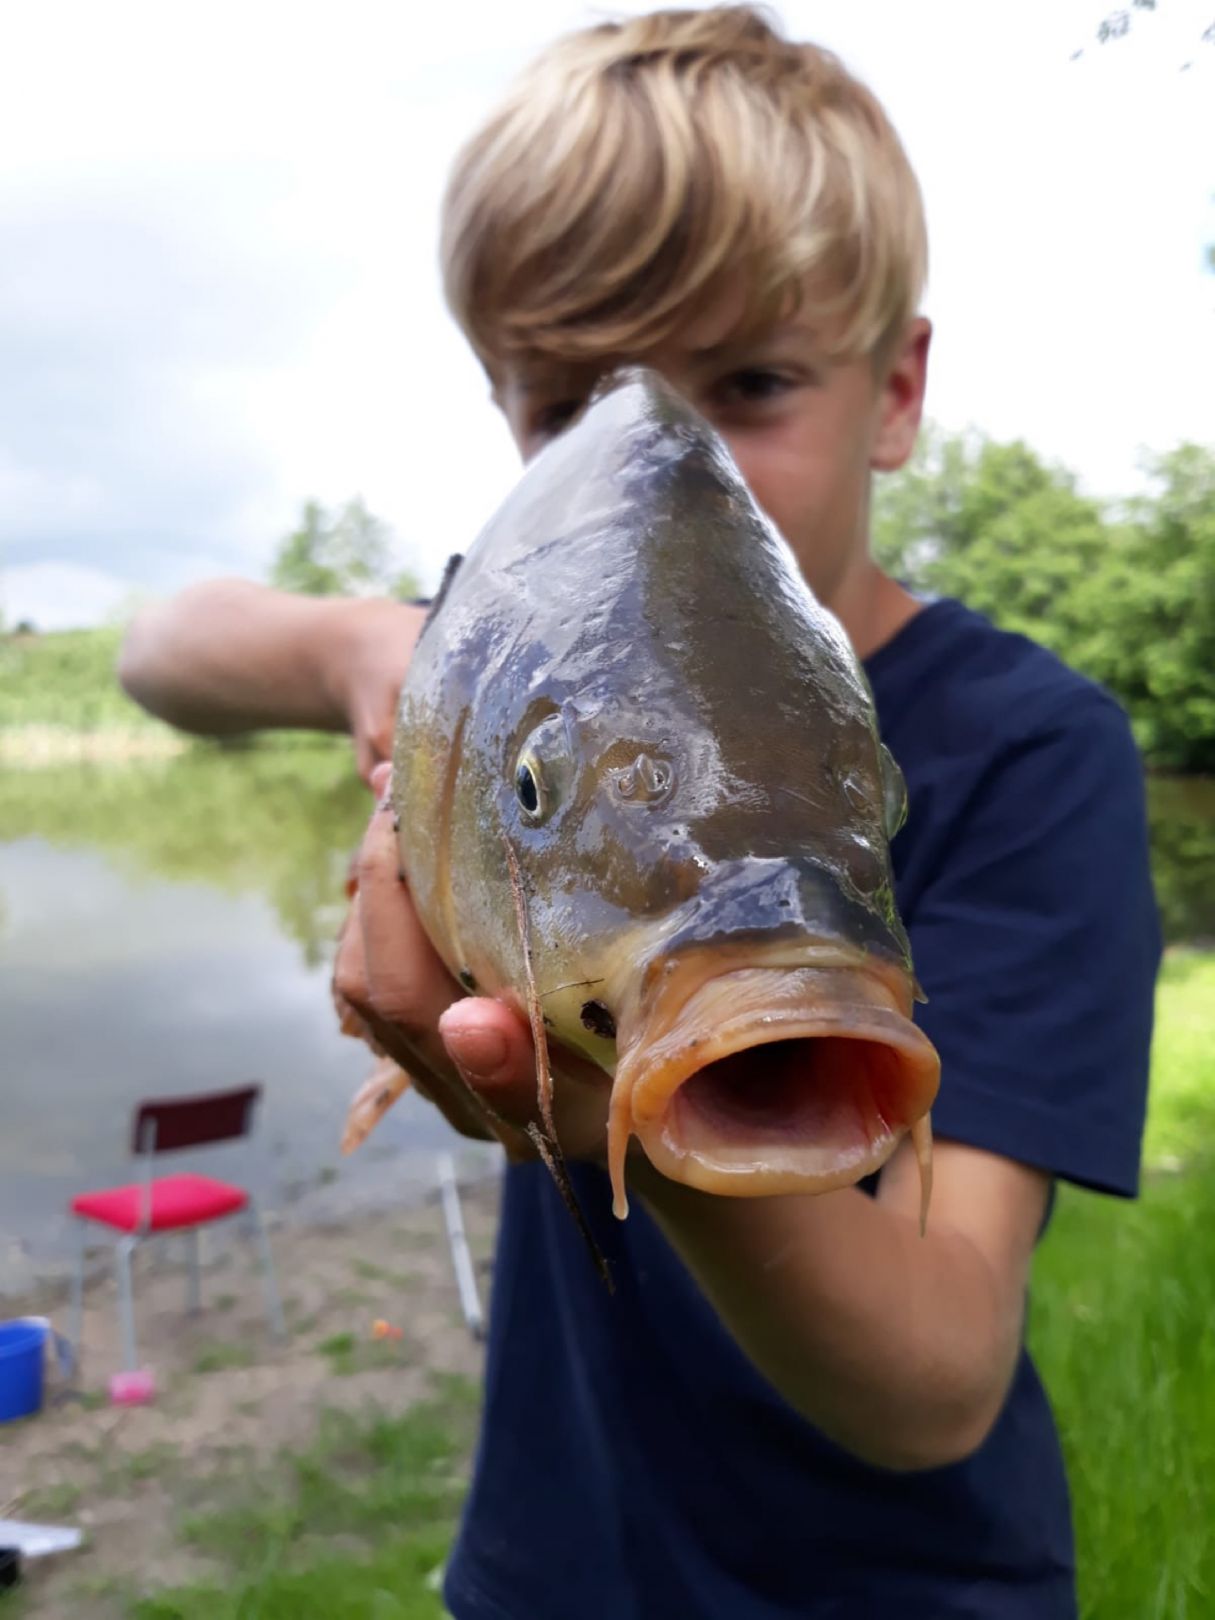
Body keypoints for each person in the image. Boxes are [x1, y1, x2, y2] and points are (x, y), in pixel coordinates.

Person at [120, 9, 1161, 1616]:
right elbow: (159, 650)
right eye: (571, 408)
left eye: (747, 383)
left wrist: (644, 1109)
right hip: (551, 1566)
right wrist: (366, 648)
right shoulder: (502, 655)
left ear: (896, 388)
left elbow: (940, 1377)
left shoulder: (1035, 748)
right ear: (514, 427)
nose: (678, 457)